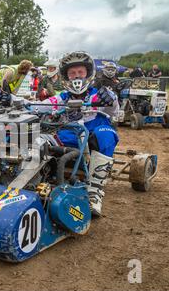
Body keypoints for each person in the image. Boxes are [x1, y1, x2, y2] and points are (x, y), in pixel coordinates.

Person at [30, 51, 119, 216]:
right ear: (66, 76)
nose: (76, 76)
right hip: (69, 135)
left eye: (80, 72)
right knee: (38, 137)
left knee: (105, 133)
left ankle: (94, 193)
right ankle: (35, 180)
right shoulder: (62, 97)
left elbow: (114, 109)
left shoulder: (99, 94)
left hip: (94, 134)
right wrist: (17, 102)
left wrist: (110, 99)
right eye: (72, 73)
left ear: (88, 73)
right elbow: (39, 105)